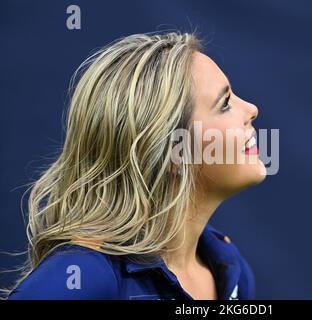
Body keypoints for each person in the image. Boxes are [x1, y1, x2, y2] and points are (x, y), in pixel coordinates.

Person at [7, 31, 266, 300]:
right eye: (224, 104)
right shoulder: (86, 273)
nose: (251, 109)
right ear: (172, 152)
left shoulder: (230, 269)